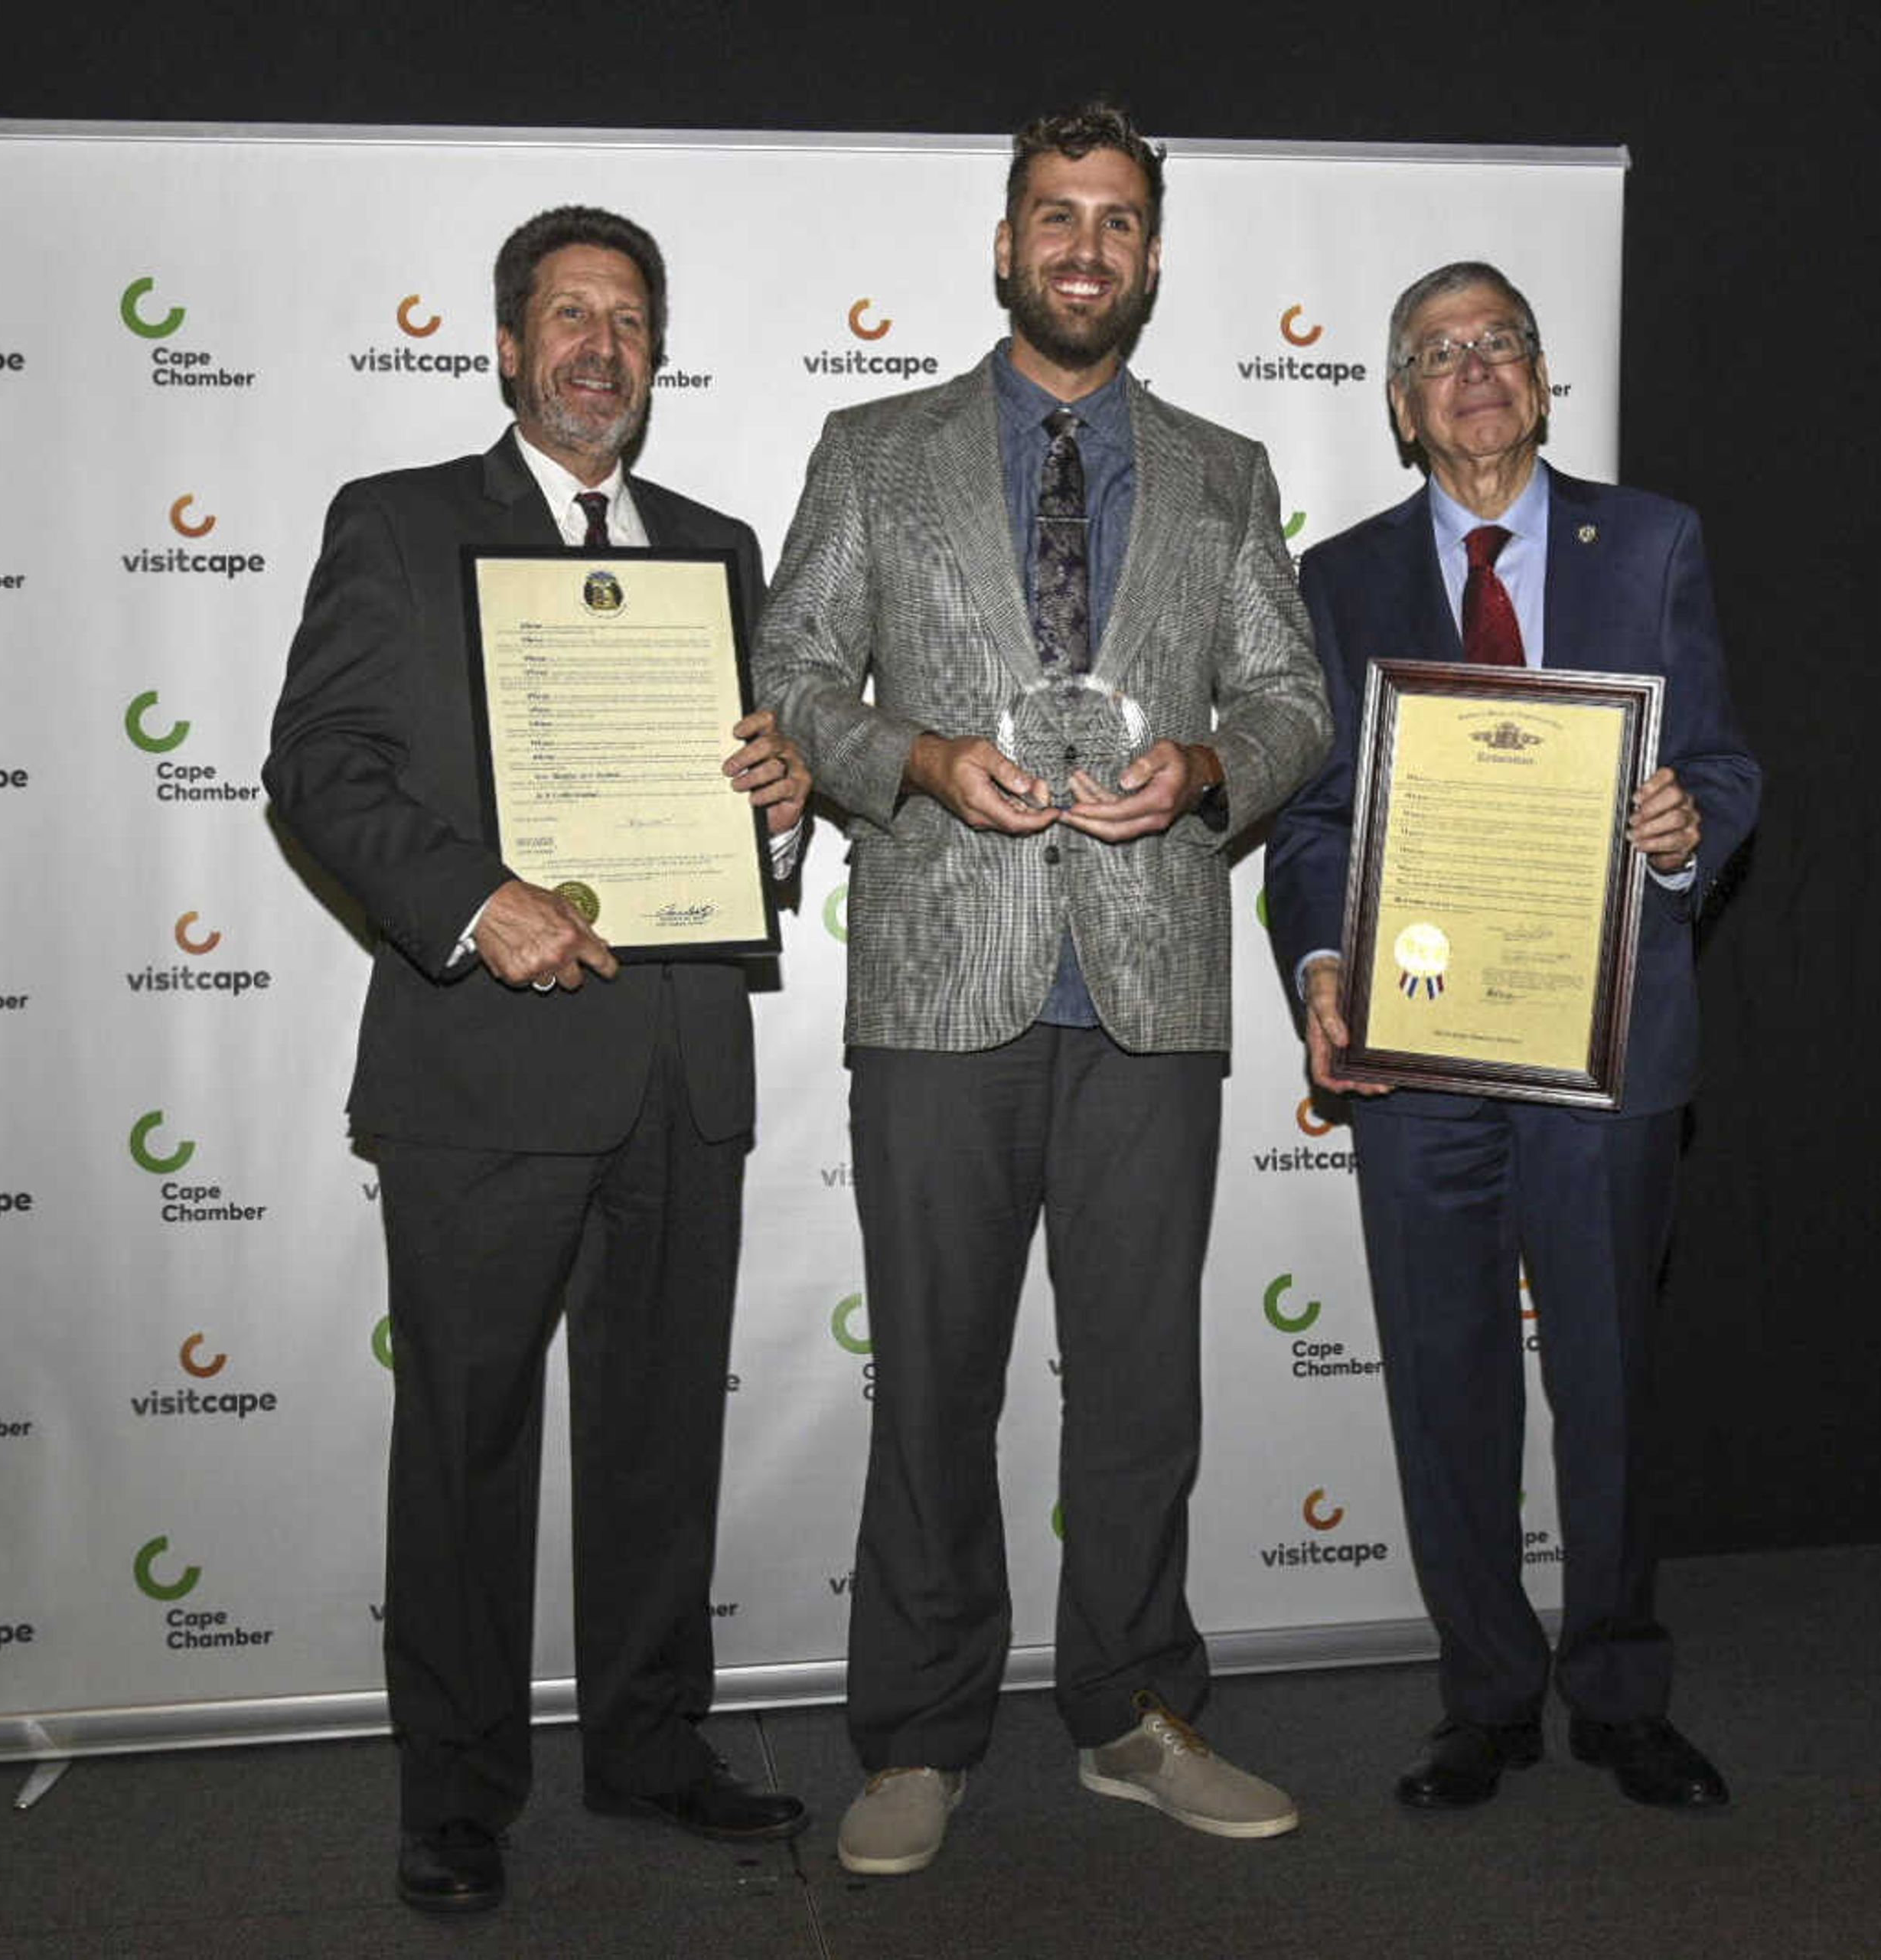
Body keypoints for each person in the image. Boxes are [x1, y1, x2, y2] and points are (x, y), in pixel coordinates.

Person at [753, 103, 1332, 1877]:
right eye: (1056, 216)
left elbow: (1296, 701)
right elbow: (786, 677)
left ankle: (1131, 1712)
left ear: (1151, 261)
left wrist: (1211, 772)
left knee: (1144, 1383)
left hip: (1148, 985)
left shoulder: (1226, 470)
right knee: (932, 1376)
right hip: (941, 987)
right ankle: (919, 1737)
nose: (1086, 246)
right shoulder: (875, 449)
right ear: (1004, 246)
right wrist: (917, 758)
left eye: (1119, 221)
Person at [264, 204, 813, 1916]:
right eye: (569, 315)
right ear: (507, 347)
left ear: (656, 355)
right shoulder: (402, 523)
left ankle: (650, 1747)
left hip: (677, 1074)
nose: (601, 345)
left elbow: (736, 810)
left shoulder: (721, 551)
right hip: (483, 1077)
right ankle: (458, 1794)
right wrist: (473, 901)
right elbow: (321, 768)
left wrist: (782, 819)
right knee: (468, 1448)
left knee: (657, 1442)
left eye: (630, 319)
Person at [1264, 260, 1760, 1815]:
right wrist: (1325, 963)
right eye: (1437, 354)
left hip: (1606, 1045)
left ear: (1544, 382)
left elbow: (1728, 764)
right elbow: (1309, 823)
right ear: (1401, 405)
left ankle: (1619, 1688)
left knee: (1607, 1375)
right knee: (1444, 1374)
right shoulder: (1339, 578)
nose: (1473, 372)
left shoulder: (1656, 540)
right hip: (1418, 1054)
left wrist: (1685, 830)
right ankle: (1483, 1696)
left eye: (1499, 345)